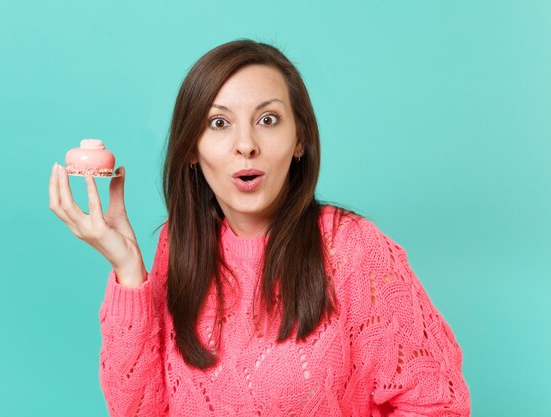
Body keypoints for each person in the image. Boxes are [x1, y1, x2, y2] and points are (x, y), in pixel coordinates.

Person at [49, 39, 470, 416]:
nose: (245, 144)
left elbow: (440, 404)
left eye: (268, 120)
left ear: (299, 140)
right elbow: (139, 411)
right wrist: (127, 270)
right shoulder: (179, 250)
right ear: (191, 149)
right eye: (219, 123)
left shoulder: (352, 250)